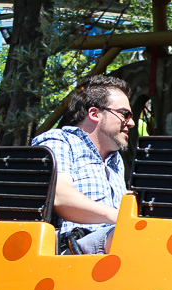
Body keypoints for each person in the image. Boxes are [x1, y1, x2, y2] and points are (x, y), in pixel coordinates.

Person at [31, 75, 135, 254]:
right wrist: (118, 217)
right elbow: (60, 196)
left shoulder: (114, 158)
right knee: (136, 238)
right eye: (125, 114)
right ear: (94, 113)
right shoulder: (59, 140)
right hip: (72, 246)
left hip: (114, 239)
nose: (131, 123)